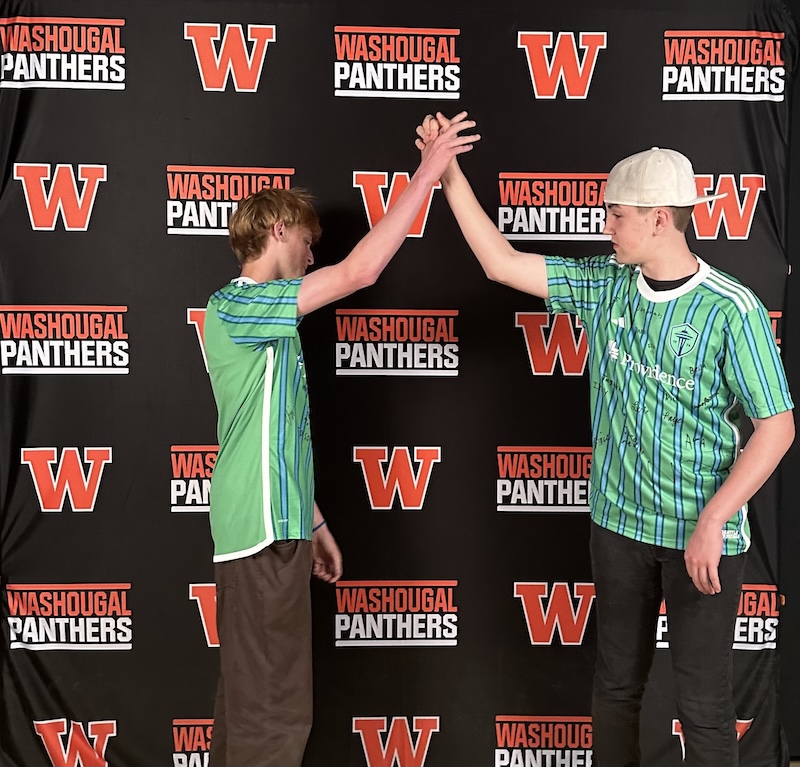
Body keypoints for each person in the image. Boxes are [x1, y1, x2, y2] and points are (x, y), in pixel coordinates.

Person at [416, 116, 794, 767]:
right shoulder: (605, 284)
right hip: (618, 527)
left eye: (616, 215)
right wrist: (446, 172)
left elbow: (778, 427)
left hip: (700, 534)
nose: (605, 227)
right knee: (616, 688)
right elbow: (501, 263)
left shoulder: (732, 310)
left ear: (659, 219)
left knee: (703, 706)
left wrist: (714, 519)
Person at [202, 113, 479, 767]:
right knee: (272, 713)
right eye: (307, 241)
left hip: (275, 524)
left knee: (250, 704)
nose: (311, 256)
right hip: (260, 532)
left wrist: (315, 519)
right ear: (277, 229)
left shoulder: (268, 322)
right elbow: (359, 272)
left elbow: (277, 439)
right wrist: (428, 173)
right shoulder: (237, 305)